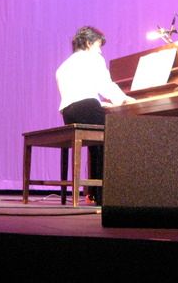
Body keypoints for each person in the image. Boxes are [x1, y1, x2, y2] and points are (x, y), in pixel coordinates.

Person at [56, 26, 134, 204]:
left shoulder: (64, 66)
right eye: (99, 46)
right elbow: (105, 85)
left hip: (69, 113)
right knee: (119, 134)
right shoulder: (93, 58)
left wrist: (99, 103)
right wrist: (123, 98)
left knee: (97, 141)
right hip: (87, 107)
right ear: (89, 43)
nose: (100, 51)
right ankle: (113, 193)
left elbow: (79, 92)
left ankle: (96, 193)